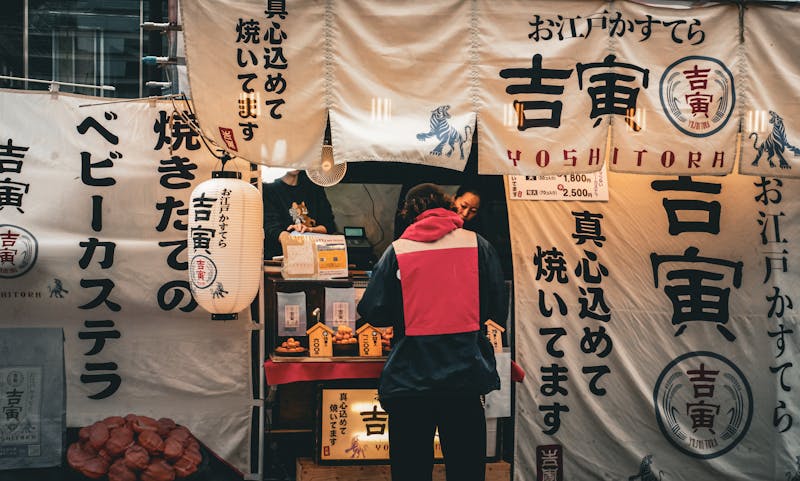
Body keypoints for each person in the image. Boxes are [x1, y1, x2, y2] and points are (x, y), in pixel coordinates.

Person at [357, 183, 507, 481]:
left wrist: (401, 319)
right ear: (447, 207)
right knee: (466, 470)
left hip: (410, 380)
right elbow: (497, 305)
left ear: (411, 214)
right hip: (464, 379)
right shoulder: (478, 244)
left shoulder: (398, 250)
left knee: (411, 470)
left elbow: (372, 309)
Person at [262, 169, 336, 259]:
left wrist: (309, 229)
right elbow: (271, 229)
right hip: (280, 259)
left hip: (316, 258)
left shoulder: (314, 186)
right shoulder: (268, 187)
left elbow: (329, 225)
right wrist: (292, 240)